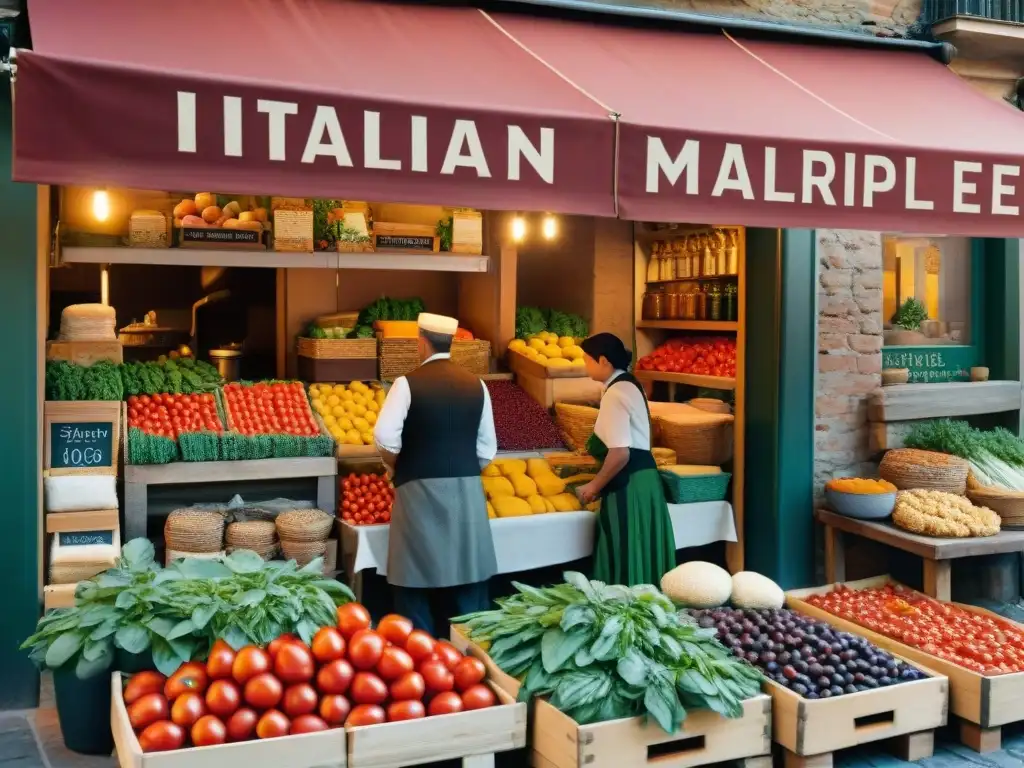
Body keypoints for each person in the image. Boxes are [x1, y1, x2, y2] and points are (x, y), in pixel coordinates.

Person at [372, 312, 498, 635]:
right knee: (466, 573)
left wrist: (395, 466)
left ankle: (419, 659)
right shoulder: (478, 385)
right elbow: (487, 450)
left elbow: (385, 437)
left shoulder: (405, 384)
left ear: (421, 343)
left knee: (414, 579)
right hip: (467, 493)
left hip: (417, 491)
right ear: (452, 343)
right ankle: (472, 660)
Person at [574, 332, 676, 586]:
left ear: (604, 361)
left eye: (587, 360)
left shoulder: (615, 394)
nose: (585, 366)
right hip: (645, 481)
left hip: (629, 484)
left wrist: (593, 487)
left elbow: (620, 452)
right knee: (643, 548)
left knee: (626, 547)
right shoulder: (630, 385)